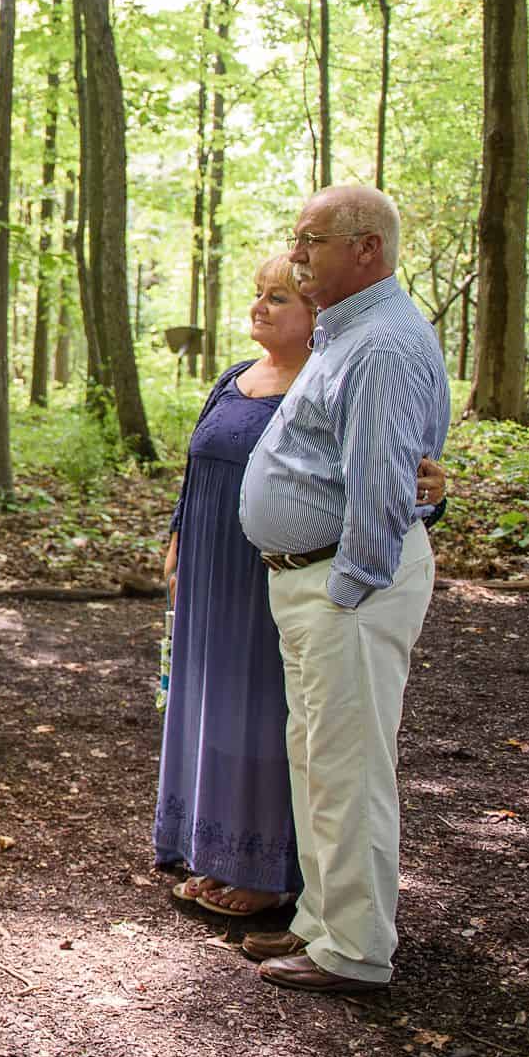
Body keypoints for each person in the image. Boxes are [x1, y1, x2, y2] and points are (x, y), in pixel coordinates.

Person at [157, 254, 449, 922]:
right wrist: (176, 536)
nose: (259, 306)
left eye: (278, 297)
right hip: (209, 566)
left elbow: (391, 472)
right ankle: (205, 842)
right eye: (257, 294)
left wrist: (432, 495)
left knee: (267, 714)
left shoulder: (328, 379)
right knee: (211, 700)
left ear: (315, 313)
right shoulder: (234, 379)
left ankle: (266, 866)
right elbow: (196, 466)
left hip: (272, 566)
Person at [237, 185, 450, 994]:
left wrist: (347, 591)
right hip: (313, 578)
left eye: (312, 241)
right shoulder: (344, 332)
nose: (297, 256)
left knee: (349, 763)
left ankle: (355, 947)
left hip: (347, 584)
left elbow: (386, 486)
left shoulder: (380, 345)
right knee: (318, 758)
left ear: (366, 248)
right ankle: (321, 921)